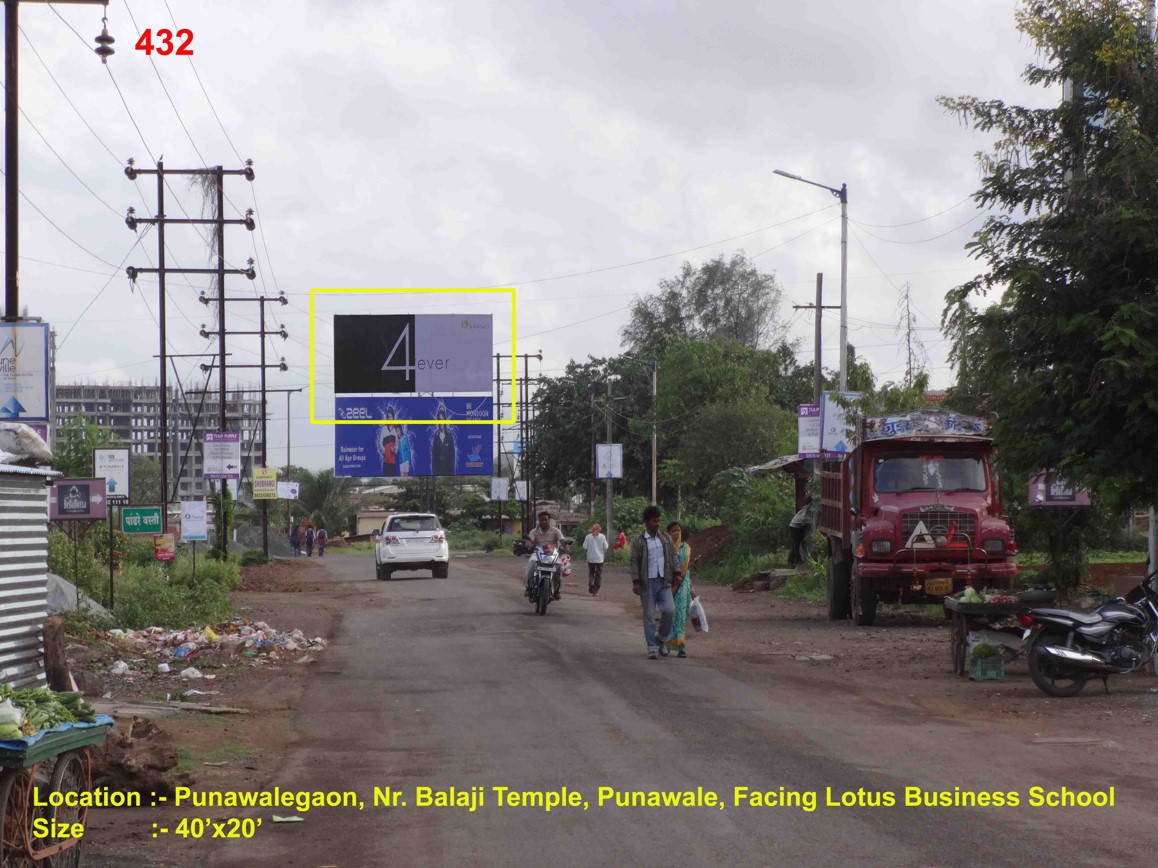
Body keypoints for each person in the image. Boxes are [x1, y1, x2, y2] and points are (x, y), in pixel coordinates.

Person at [629, 505, 680, 659]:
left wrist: (677, 573)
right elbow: (634, 562)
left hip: (664, 581)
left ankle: (661, 639)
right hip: (647, 582)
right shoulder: (638, 541)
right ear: (646, 522)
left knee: (670, 610)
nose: (657, 523)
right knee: (649, 616)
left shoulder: (665, 538)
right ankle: (652, 647)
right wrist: (636, 581)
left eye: (658, 520)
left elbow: (673, 556)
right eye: (654, 521)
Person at [664, 521, 692, 658]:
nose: (677, 533)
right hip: (667, 585)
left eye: (678, 530)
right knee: (668, 615)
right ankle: (665, 644)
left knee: (680, 615)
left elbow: (684, 569)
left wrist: (678, 587)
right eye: (674, 531)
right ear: (669, 533)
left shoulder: (685, 548)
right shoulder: (665, 548)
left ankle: (681, 646)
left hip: (681, 586)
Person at [523, 510, 566, 600]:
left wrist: (565, 545)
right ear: (539, 520)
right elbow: (530, 541)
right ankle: (528, 587)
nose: (543, 522)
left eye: (545, 520)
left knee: (559, 567)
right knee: (531, 564)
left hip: (552, 554)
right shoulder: (534, 531)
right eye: (541, 520)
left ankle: (557, 590)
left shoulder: (556, 531)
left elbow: (561, 540)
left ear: (549, 520)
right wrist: (528, 544)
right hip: (538, 553)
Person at [583, 522, 609, 595]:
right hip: (599, 559)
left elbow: (585, 546)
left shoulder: (588, 537)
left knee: (591, 572)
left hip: (590, 558)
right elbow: (606, 547)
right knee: (598, 574)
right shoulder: (602, 537)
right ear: (599, 530)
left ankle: (591, 583)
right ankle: (595, 590)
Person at [788, 497, 814, 568]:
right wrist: (810, 525)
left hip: (799, 526)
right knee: (796, 544)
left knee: (797, 544)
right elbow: (803, 519)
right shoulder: (808, 508)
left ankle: (791, 560)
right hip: (795, 526)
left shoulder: (808, 508)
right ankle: (797, 560)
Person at [431, 408, 457, 476]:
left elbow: (452, 456)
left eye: (442, 419)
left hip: (448, 473)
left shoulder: (449, 436)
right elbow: (434, 458)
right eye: (439, 419)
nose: (441, 421)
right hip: (438, 473)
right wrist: (434, 473)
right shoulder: (436, 438)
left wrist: (451, 473)